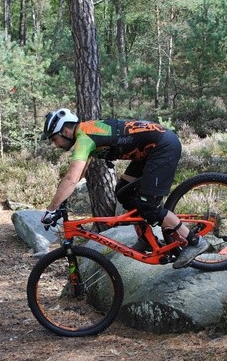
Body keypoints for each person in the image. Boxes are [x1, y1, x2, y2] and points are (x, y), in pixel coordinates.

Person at [40, 108, 208, 269]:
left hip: (163, 147)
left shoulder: (85, 137)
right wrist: (62, 202)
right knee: (124, 193)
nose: (55, 144)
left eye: (54, 139)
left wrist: (51, 209)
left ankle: (194, 242)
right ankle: (146, 239)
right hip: (148, 151)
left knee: (149, 207)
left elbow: (71, 178)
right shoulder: (86, 132)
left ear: (66, 131)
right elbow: (80, 174)